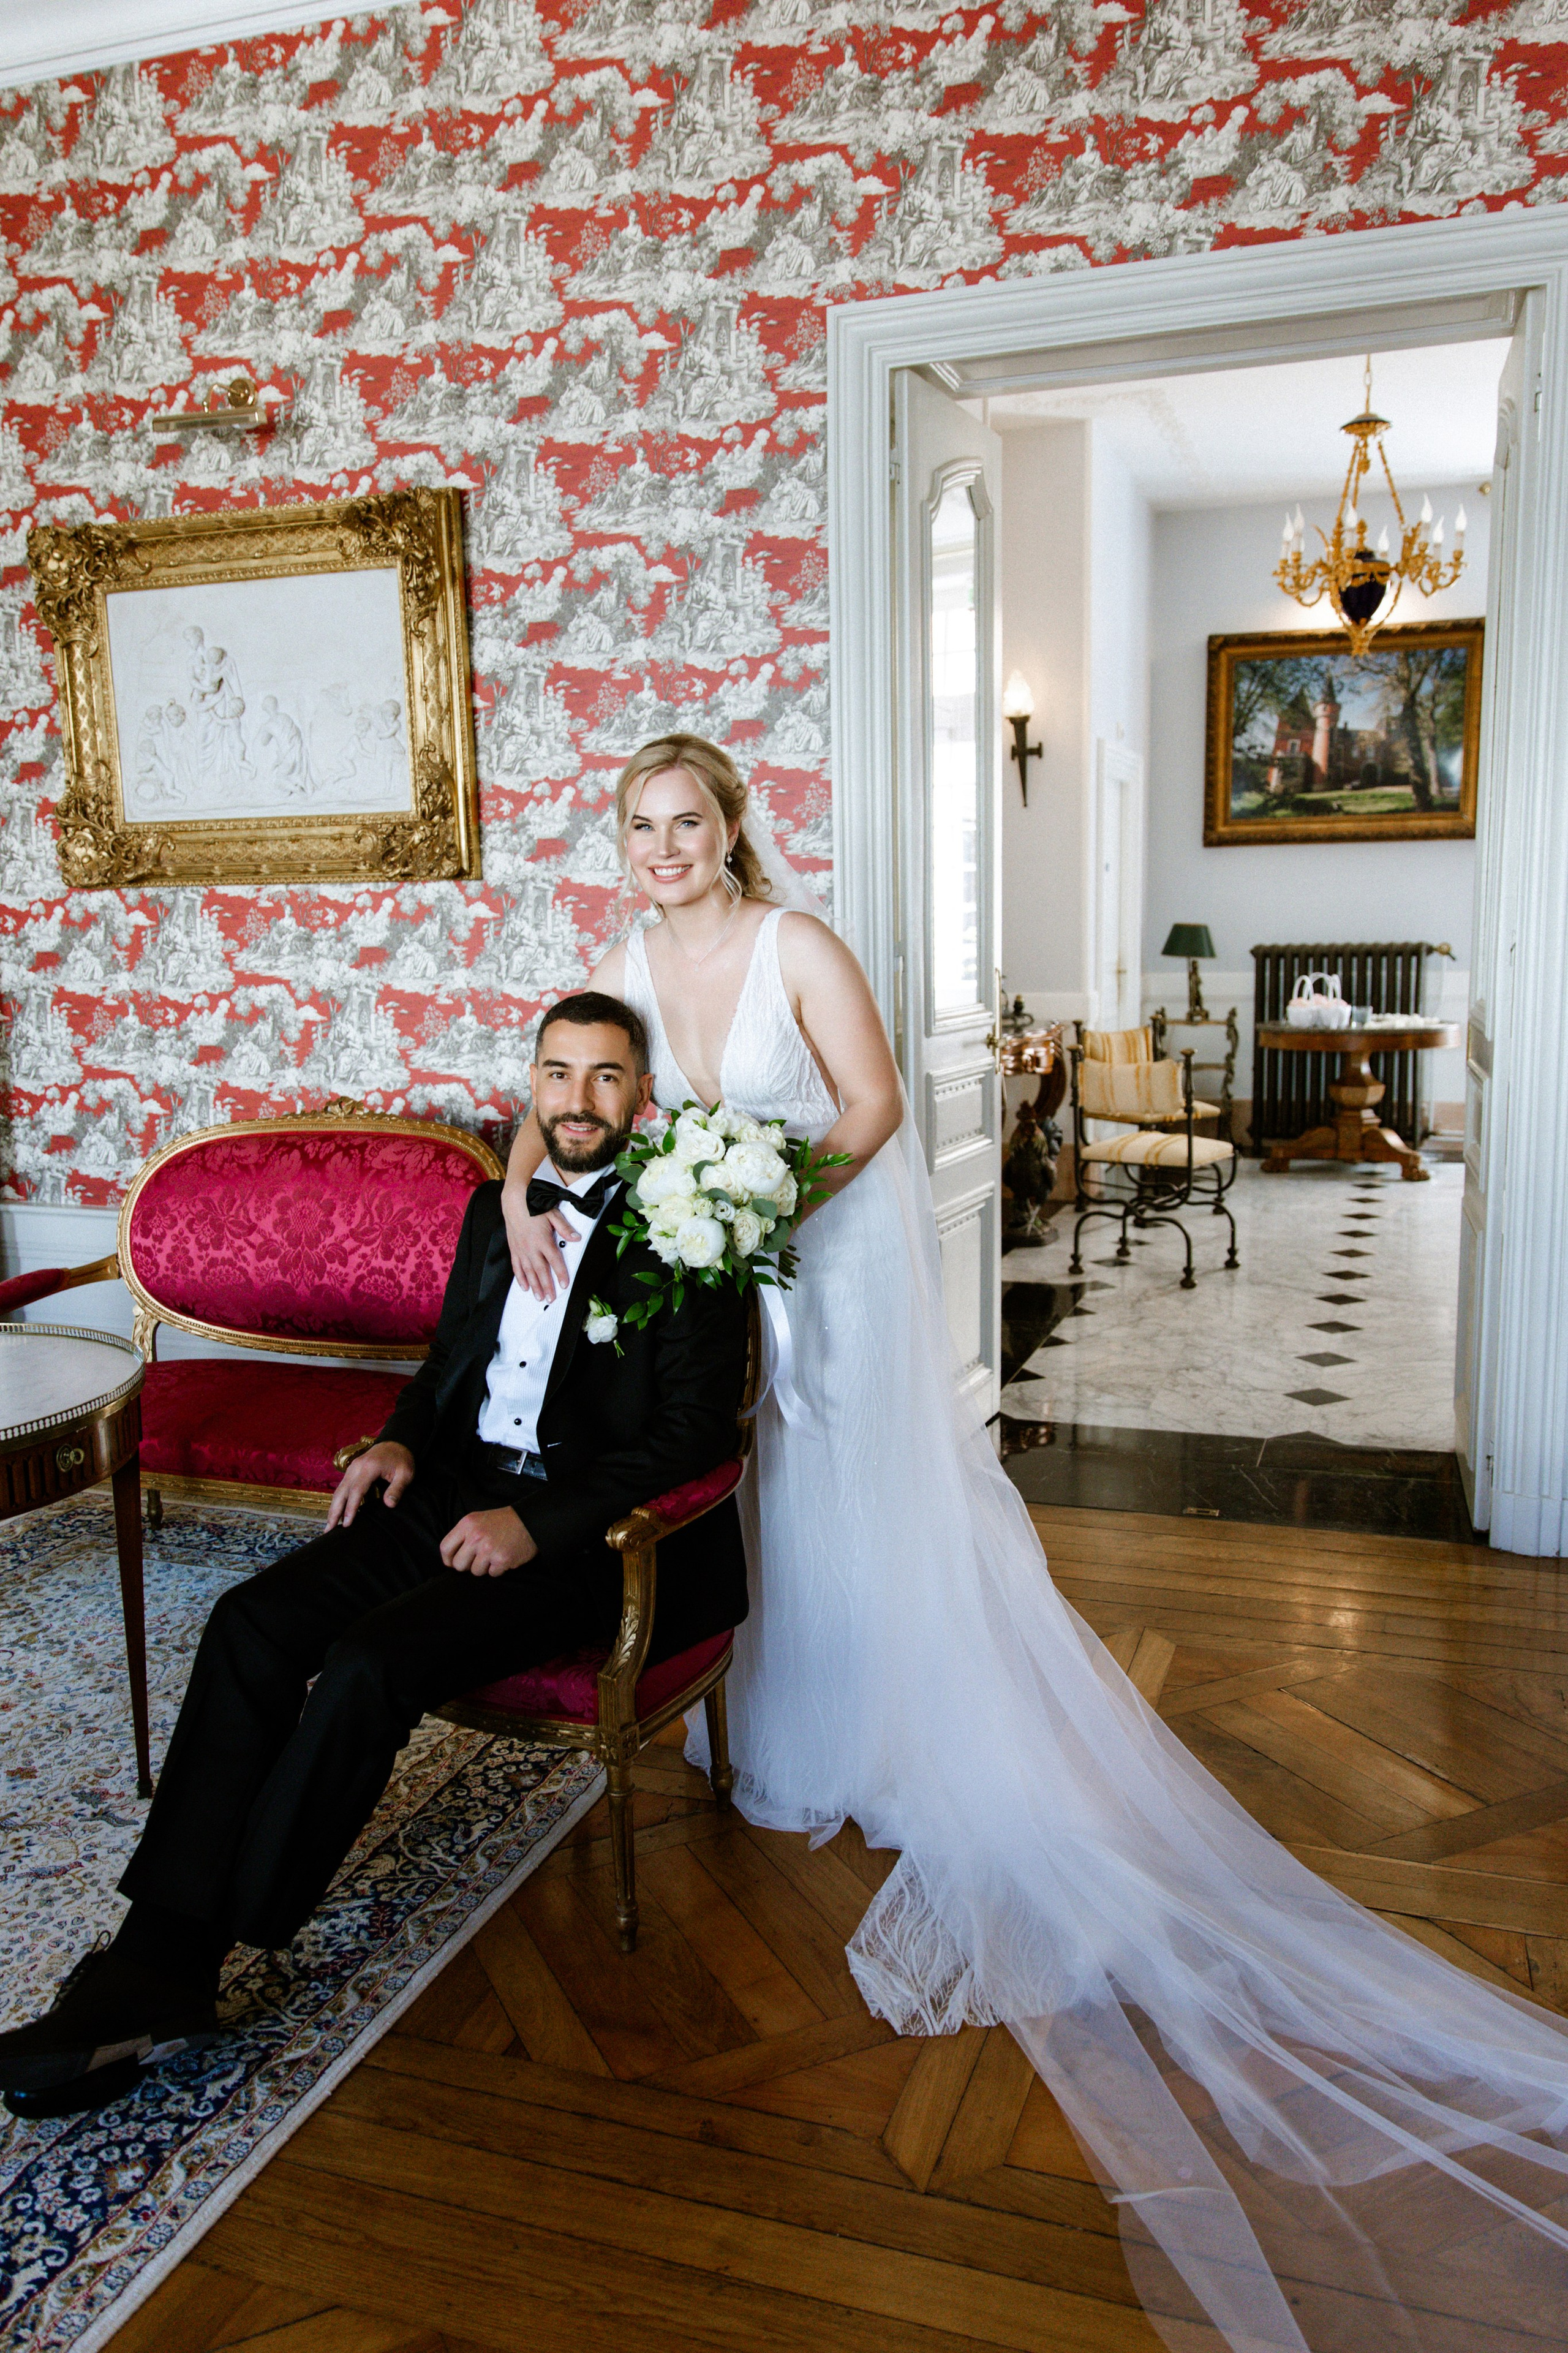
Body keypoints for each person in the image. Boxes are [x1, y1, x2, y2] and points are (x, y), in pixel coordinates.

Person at [500, 735, 1568, 2353]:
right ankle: (791, 1726)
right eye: (640, 826)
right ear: (623, 841)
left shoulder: (800, 944)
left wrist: (761, 1191)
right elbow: (560, 1097)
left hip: (829, 1261)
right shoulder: (622, 961)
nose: (664, 848)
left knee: (860, 1493)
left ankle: (914, 1734)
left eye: (689, 822)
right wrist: (524, 1193)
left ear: (733, 829)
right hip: (722, 1286)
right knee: (763, 1503)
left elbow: (867, 1104)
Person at [0, 994, 749, 2112]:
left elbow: (692, 1431)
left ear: (642, 1099)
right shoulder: (494, 1212)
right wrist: (400, 1436)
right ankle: (159, 1948)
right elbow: (450, 1361)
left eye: (606, 1078)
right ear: (532, 1087)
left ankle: (194, 1957)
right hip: (451, 1486)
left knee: (367, 1666)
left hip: (576, 1535)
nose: (579, 1099)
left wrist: (533, 1524)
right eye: (559, 1074)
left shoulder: (693, 1226)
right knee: (248, 1623)